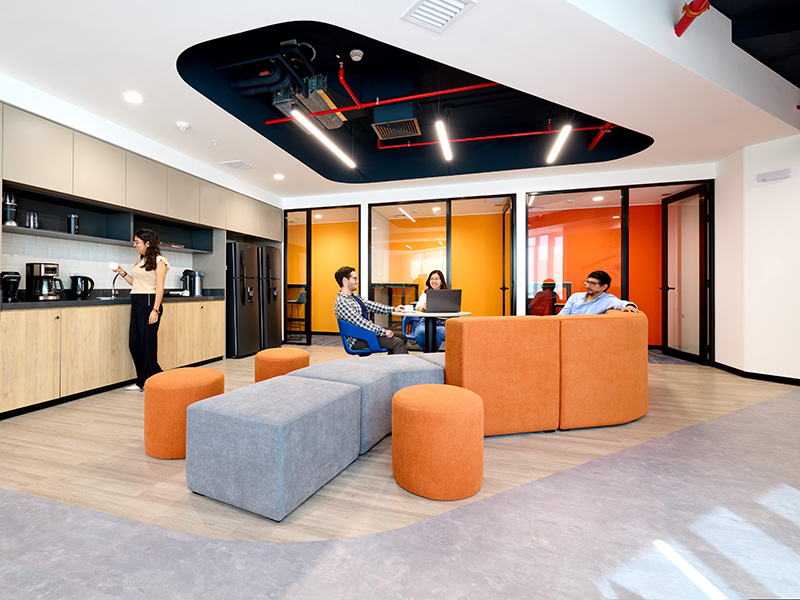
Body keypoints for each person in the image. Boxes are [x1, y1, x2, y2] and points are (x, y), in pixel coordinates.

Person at [114, 229, 170, 390]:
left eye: (137, 242)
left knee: (147, 344)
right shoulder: (139, 261)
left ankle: (144, 381)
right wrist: (122, 272)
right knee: (134, 344)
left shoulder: (160, 261)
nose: (134, 245)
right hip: (137, 301)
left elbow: (159, 287)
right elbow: (136, 283)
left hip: (149, 302)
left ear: (148, 243)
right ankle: (155, 376)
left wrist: (155, 310)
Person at [334, 266, 408, 354]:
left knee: (402, 337)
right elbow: (361, 322)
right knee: (397, 343)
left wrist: (393, 309)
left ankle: (394, 362)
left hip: (367, 333)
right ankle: (401, 363)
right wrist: (383, 332)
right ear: (345, 280)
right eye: (354, 278)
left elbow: (373, 305)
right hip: (358, 339)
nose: (357, 281)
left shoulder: (354, 297)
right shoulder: (342, 302)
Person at [559, 270, 640, 315]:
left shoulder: (608, 300)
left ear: (604, 287)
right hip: (568, 330)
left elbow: (622, 303)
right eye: (587, 282)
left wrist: (630, 306)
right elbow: (562, 315)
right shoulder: (575, 297)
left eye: (593, 283)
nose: (588, 286)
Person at [410, 269, 448, 352]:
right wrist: (422, 308)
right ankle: (428, 352)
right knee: (419, 334)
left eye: (437, 279)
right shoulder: (425, 293)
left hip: (441, 323)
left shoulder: (447, 294)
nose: (434, 281)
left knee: (438, 334)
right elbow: (418, 306)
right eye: (432, 279)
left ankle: (431, 353)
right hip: (425, 322)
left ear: (441, 281)